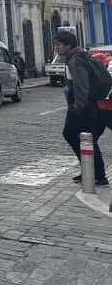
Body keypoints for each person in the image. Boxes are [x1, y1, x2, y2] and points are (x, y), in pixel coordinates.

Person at [54, 31, 110, 187]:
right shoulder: (78, 56)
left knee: (75, 135)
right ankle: (90, 171)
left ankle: (98, 175)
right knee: (86, 138)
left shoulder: (76, 61)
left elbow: (81, 86)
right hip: (90, 105)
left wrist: (77, 106)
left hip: (83, 107)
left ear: (68, 45)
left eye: (59, 44)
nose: (56, 47)